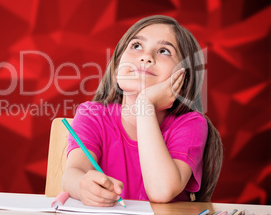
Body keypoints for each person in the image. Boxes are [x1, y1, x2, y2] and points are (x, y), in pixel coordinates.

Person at [62, 15, 223, 205]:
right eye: (136, 46)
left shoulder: (191, 124)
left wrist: (145, 104)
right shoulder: (92, 115)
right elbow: (72, 174)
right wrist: (82, 185)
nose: (146, 56)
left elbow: (161, 191)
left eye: (164, 51)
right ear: (116, 67)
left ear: (183, 78)